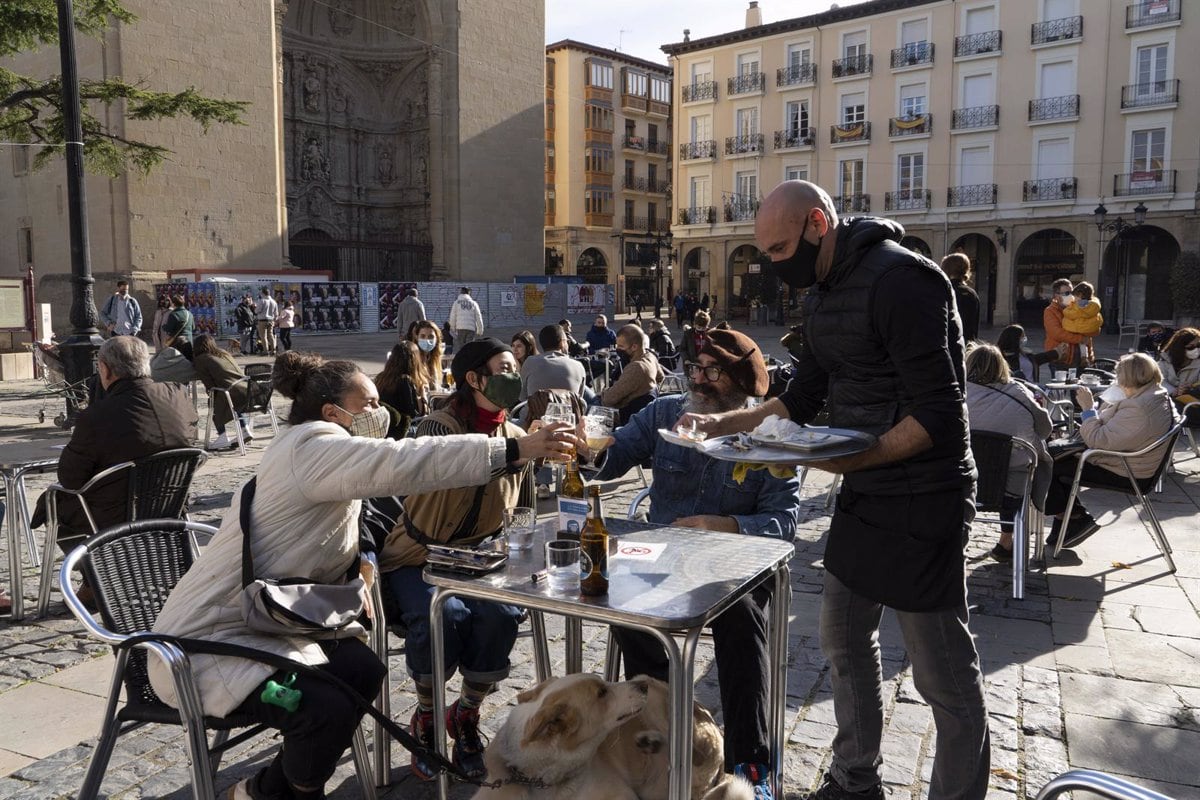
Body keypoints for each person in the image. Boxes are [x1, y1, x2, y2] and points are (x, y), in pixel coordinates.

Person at [149, 350, 576, 800]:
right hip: (205, 643)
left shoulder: (319, 452)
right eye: (368, 404)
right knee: (325, 706)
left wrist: (365, 558)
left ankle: (274, 786)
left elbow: (358, 513)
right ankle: (273, 793)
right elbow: (403, 462)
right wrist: (513, 448)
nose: (380, 413)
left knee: (364, 670)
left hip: (268, 625)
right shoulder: (312, 445)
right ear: (332, 412)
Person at [682, 180, 989, 800]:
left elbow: (940, 415)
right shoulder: (823, 293)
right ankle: (855, 781)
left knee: (942, 677)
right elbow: (802, 396)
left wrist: (856, 459)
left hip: (923, 499)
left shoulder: (906, 282)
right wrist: (726, 422)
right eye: (764, 253)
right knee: (843, 642)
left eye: (778, 249)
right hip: (866, 493)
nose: (771, 265)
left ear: (818, 224)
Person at [581, 328, 798, 800]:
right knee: (623, 607)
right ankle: (665, 742)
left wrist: (727, 526)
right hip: (661, 561)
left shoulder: (771, 433)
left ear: (741, 381)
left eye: (711, 371)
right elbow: (612, 458)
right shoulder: (665, 411)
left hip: (733, 569)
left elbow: (785, 522)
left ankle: (752, 770)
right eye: (695, 368)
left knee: (742, 625)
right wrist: (585, 447)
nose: (697, 380)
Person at [378, 338, 532, 782]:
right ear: (474, 379)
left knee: (502, 616)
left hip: (480, 558)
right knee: (443, 614)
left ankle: (465, 714)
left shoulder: (517, 436)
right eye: (504, 368)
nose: (514, 376)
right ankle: (426, 717)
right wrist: (520, 452)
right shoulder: (435, 427)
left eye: (516, 367)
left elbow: (523, 511)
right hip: (418, 555)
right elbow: (441, 466)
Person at [31, 337, 197, 574]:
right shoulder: (179, 396)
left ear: (105, 370)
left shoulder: (97, 416)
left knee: (53, 505)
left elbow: (70, 478)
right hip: (171, 502)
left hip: (119, 512)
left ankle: (95, 579)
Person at [1043, 353, 1176, 550]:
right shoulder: (1153, 394)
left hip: (1127, 470)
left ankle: (1071, 517)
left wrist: (1088, 409)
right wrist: (1106, 406)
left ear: (1130, 377)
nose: (1116, 379)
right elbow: (1115, 429)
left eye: (1119, 375)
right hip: (1128, 460)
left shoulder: (1139, 407)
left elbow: (1099, 440)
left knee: (1048, 464)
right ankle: (1072, 518)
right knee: (1056, 457)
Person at [963, 344, 1052, 562]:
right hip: (1009, 489)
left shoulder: (956, 394)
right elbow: (1045, 429)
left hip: (961, 484)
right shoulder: (1018, 392)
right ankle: (1006, 541)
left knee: (1003, 464)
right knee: (1015, 466)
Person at [191, 334, 254, 450]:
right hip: (249, 390)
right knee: (231, 398)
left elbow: (209, 385)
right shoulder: (223, 353)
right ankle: (245, 429)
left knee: (214, 399)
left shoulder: (201, 359)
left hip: (232, 392)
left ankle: (222, 436)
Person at [601, 325, 665, 414]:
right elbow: (661, 377)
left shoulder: (635, 368)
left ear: (634, 347)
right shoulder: (650, 357)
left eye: (621, 346)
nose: (617, 349)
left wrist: (604, 392)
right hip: (642, 412)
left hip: (623, 415)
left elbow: (608, 399)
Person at [520, 324, 589, 402]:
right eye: (567, 341)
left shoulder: (530, 362)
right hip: (569, 413)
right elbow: (579, 399)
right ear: (562, 343)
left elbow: (522, 396)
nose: (568, 345)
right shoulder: (578, 366)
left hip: (535, 413)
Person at [375, 341, 428, 435]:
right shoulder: (405, 380)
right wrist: (423, 396)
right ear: (414, 360)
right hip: (401, 430)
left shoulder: (381, 378)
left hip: (384, 428)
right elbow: (414, 415)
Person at [996, 324, 1066, 383]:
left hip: (1032, 390)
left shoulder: (1024, 353)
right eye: (1022, 336)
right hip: (1018, 391)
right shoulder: (1002, 357)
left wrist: (1056, 352)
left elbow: (1037, 359)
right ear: (1014, 339)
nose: (1024, 338)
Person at [1043, 278, 1085, 369]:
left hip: (1079, 360)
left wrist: (1089, 355)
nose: (1071, 296)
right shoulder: (1050, 311)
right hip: (1061, 360)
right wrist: (1080, 339)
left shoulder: (1077, 309)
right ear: (1056, 296)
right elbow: (1057, 334)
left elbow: (1086, 331)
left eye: (1072, 292)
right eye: (1067, 293)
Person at [941, 253, 980, 343]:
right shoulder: (972, 294)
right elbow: (974, 327)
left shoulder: (942, 290)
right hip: (966, 345)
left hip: (947, 345)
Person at [1158, 327, 1200, 410]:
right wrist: (1174, 391)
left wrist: (1191, 388)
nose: (1196, 349)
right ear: (1179, 347)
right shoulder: (1164, 360)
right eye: (1190, 347)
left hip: (1192, 405)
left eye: (1198, 345)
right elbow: (1159, 381)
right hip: (1166, 403)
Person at [1062, 281, 1103, 365]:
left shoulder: (1079, 305)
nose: (1074, 298)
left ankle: (1079, 356)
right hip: (1086, 329)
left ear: (1080, 295)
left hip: (1077, 327)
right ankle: (1084, 356)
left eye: (1075, 296)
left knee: (1076, 340)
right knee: (1083, 343)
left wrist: (1066, 311)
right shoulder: (1092, 305)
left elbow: (1071, 313)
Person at [410, 320, 445, 393]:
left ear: (437, 339)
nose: (427, 340)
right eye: (423, 336)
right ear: (416, 337)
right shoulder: (412, 358)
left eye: (431, 336)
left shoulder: (433, 357)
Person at [160, 294, 195, 360]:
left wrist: (163, 326)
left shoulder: (173, 314)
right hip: (189, 342)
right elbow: (193, 327)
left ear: (173, 304)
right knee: (189, 361)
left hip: (177, 343)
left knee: (177, 361)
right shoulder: (189, 314)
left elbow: (169, 329)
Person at [256, 288, 279, 357]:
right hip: (271, 320)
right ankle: (273, 350)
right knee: (271, 335)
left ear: (263, 293)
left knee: (263, 336)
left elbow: (257, 311)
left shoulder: (262, 300)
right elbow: (276, 313)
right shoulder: (274, 301)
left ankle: (265, 351)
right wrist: (274, 320)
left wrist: (255, 308)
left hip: (262, 320)